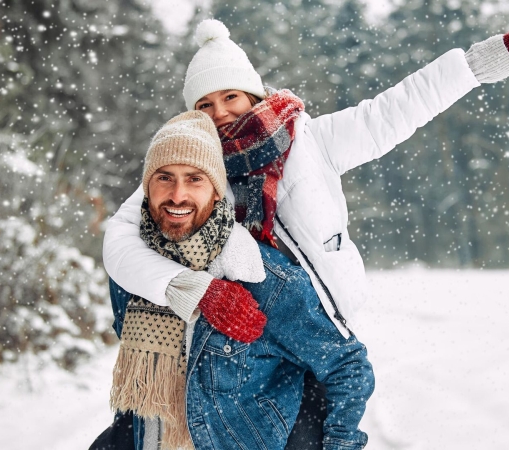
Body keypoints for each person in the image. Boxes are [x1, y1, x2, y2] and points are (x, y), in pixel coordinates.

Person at [103, 1, 509, 446]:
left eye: (230, 96)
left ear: (253, 93)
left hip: (321, 332)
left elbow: (397, 109)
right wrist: (192, 290)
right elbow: (121, 241)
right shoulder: (192, 167)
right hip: (251, 344)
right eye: (204, 105)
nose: (221, 113)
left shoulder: (312, 141)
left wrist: (484, 61)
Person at [108, 110, 374, 450]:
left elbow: (348, 366)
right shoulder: (130, 276)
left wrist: (340, 444)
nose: (177, 195)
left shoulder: (264, 278)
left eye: (194, 179)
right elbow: (142, 395)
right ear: (147, 189)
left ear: (218, 192)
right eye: (164, 178)